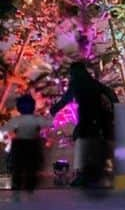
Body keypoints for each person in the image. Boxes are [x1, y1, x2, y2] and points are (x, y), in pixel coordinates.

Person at [50, 57, 118, 189]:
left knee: (83, 141)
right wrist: (115, 107)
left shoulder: (77, 84)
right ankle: (93, 172)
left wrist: (54, 109)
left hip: (88, 117)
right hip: (97, 118)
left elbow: (65, 99)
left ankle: (85, 175)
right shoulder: (93, 83)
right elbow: (110, 92)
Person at [4, 94, 46, 199]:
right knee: (31, 168)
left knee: (17, 169)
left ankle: (17, 189)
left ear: (18, 108)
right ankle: (29, 189)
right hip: (32, 144)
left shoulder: (17, 120)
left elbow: (8, 129)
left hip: (19, 145)